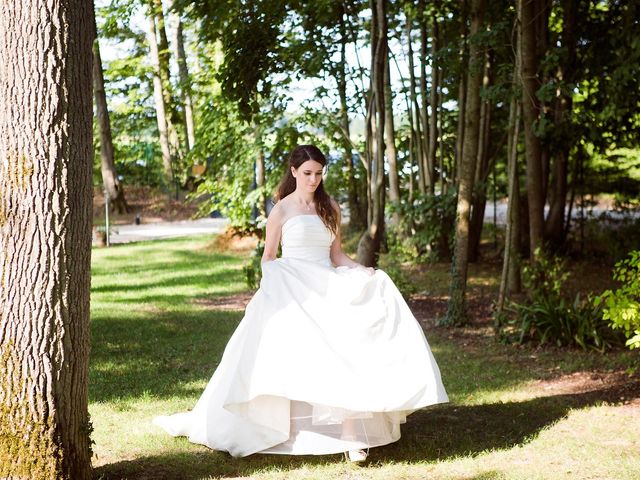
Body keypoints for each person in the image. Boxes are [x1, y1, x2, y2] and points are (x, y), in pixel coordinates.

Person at [153, 145, 448, 462]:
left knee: (345, 349)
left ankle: (351, 436)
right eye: (307, 173)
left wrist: (361, 269)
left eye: (319, 173)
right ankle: (285, 426)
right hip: (293, 285)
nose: (313, 180)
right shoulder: (280, 210)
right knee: (295, 352)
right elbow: (269, 257)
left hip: (326, 282)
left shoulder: (330, 207)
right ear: (293, 172)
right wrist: (274, 286)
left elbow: (336, 256)